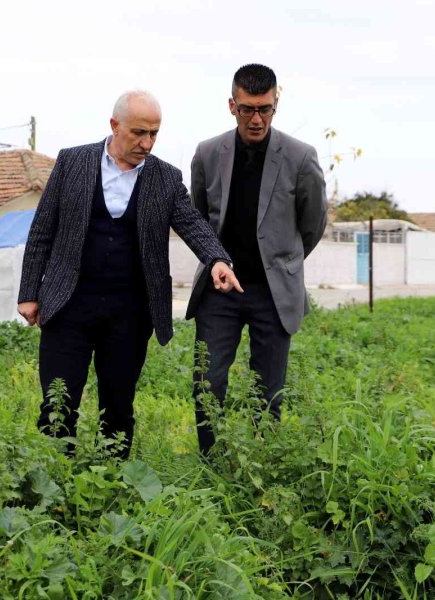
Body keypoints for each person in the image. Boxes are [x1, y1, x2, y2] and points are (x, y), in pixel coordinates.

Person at [17, 90, 242, 458]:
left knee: (118, 407)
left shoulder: (165, 178)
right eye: (139, 132)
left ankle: (110, 484)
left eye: (154, 133)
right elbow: (43, 229)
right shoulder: (72, 162)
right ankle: (53, 485)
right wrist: (29, 292)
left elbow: (192, 224)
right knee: (58, 403)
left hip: (130, 314)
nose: (147, 143)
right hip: (68, 304)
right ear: (114, 125)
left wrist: (217, 259)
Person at [186, 64, 328, 455]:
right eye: (247, 109)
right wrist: (215, 260)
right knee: (207, 381)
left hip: (273, 293)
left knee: (269, 390)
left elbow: (313, 223)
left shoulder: (300, 157)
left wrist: (283, 263)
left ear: (275, 106)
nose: (256, 118)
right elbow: (198, 219)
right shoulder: (208, 153)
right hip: (220, 291)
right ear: (231, 106)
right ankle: (211, 464)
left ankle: (261, 465)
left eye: (264, 109)